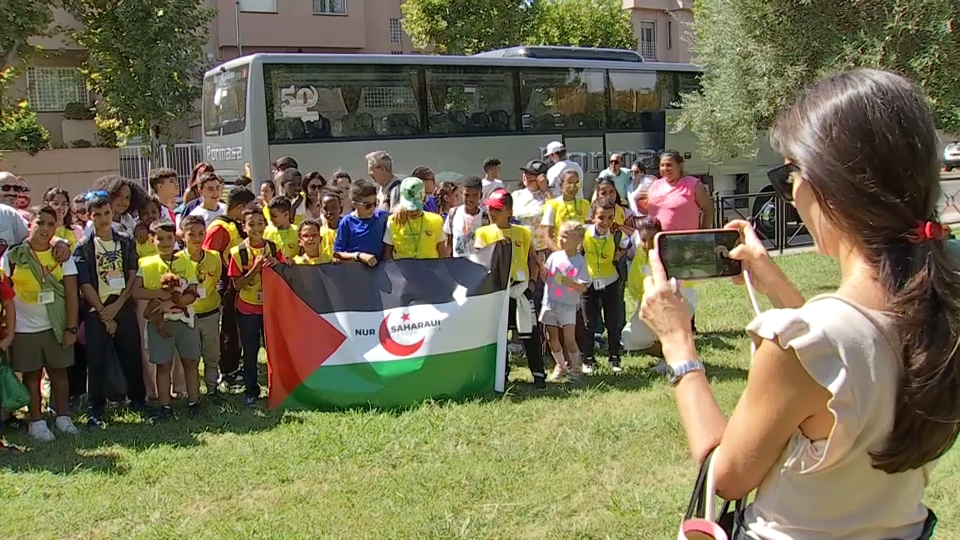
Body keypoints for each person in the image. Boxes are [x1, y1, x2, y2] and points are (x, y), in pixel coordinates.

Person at [639, 69, 947, 539]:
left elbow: (726, 475)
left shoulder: (802, 342)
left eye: (788, 176)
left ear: (828, 184)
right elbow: (848, 361)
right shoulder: (939, 299)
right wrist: (775, 282)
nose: (791, 193)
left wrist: (678, 344)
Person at [2, 205, 80, 441]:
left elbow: (71, 293)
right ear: (30, 225)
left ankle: (63, 417)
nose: (45, 229)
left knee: (59, 372)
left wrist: (71, 328)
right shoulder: (13, 256)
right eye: (40, 223)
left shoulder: (62, 255)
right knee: (32, 375)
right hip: (23, 327)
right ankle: (36, 421)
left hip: (55, 325)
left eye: (50, 224)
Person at [74, 191, 145, 428]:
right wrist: (104, 313)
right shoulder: (83, 247)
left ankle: (138, 400)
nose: (103, 219)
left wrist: (117, 305)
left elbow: (132, 273)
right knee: (96, 360)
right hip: (96, 310)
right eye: (97, 215)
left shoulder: (125, 240)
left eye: (107, 213)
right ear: (89, 216)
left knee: (131, 354)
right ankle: (96, 407)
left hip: (121, 305)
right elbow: (84, 283)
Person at [474, 188, 545, 388]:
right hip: (498, 290)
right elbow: (480, 261)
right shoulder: (483, 233)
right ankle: (502, 375)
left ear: (509, 212)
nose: (492, 213)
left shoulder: (523, 232)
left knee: (530, 333)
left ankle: (538, 374)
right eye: (490, 208)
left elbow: (532, 259)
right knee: (499, 335)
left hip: (521, 289)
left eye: (497, 209)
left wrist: (532, 283)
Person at [132, 220, 201, 420]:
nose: (165, 243)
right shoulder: (146, 264)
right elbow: (136, 292)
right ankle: (165, 406)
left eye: (169, 238)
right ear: (152, 240)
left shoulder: (186, 262)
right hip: (158, 320)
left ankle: (194, 402)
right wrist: (158, 295)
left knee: (190, 361)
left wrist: (173, 303)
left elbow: (193, 292)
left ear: (175, 239)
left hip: (184, 320)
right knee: (163, 365)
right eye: (160, 239)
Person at [227, 205, 285, 407]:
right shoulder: (238, 252)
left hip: (271, 308)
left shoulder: (274, 248)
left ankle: (277, 387)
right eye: (251, 224)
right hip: (248, 308)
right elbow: (237, 285)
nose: (256, 228)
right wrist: (255, 269)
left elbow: (285, 274)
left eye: (260, 223)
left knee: (274, 350)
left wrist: (277, 265)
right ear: (244, 227)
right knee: (250, 351)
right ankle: (251, 389)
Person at [203, 187, 256, 384]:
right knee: (229, 329)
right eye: (250, 208)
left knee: (238, 329)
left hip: (240, 286)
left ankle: (235, 365)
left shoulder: (235, 226)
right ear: (240, 207)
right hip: (226, 286)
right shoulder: (220, 228)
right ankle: (228, 370)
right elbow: (210, 257)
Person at [580, 197, 630, 374]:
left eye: (610, 217)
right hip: (588, 282)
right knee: (588, 322)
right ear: (592, 217)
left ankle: (614, 357)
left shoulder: (617, 234)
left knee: (612, 321)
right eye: (601, 217)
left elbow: (628, 244)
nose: (606, 222)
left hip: (611, 281)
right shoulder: (583, 233)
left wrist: (620, 254)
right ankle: (588, 359)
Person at [540, 221, 590, 382]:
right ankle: (561, 365)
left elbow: (584, 287)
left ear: (578, 240)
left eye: (565, 237)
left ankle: (575, 369)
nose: (561, 240)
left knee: (569, 339)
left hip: (568, 305)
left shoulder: (580, 261)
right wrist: (543, 273)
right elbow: (547, 277)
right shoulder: (554, 256)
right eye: (560, 235)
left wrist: (570, 283)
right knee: (552, 338)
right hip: (549, 302)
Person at [179, 215, 223, 397]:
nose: (197, 238)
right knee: (191, 357)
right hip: (188, 315)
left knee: (212, 354)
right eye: (192, 234)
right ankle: (193, 392)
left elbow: (216, 281)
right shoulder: (177, 260)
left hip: (210, 313)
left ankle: (212, 388)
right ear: (182, 236)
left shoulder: (214, 257)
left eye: (201, 233)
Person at [644, 150, 714, 232]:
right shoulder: (655, 185)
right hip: (657, 237)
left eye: (669, 165)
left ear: (680, 166)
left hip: (684, 238)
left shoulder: (693, 185)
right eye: (662, 165)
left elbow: (708, 209)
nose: (665, 169)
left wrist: (705, 232)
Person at [383, 177, 449, 260]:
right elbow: (387, 252)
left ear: (424, 199)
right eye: (409, 209)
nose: (413, 212)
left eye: (416, 208)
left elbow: (442, 252)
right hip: (403, 267)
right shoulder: (394, 221)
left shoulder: (436, 221)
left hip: (431, 267)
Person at [334, 180, 386, 266]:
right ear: (354, 204)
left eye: (375, 203)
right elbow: (337, 253)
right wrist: (359, 256)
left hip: (379, 270)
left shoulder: (381, 217)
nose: (372, 208)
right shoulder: (347, 222)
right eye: (368, 205)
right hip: (356, 270)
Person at [542, 170, 590, 252]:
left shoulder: (584, 204)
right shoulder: (553, 205)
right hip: (560, 251)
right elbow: (547, 237)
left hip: (581, 252)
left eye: (577, 183)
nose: (573, 187)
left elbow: (589, 230)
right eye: (569, 184)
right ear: (561, 185)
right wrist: (560, 254)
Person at [443, 176, 487, 258]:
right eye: (467, 195)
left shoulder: (486, 218)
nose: (470, 199)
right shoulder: (453, 213)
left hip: (479, 264)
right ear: (461, 193)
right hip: (458, 264)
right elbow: (448, 243)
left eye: (475, 195)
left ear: (481, 195)